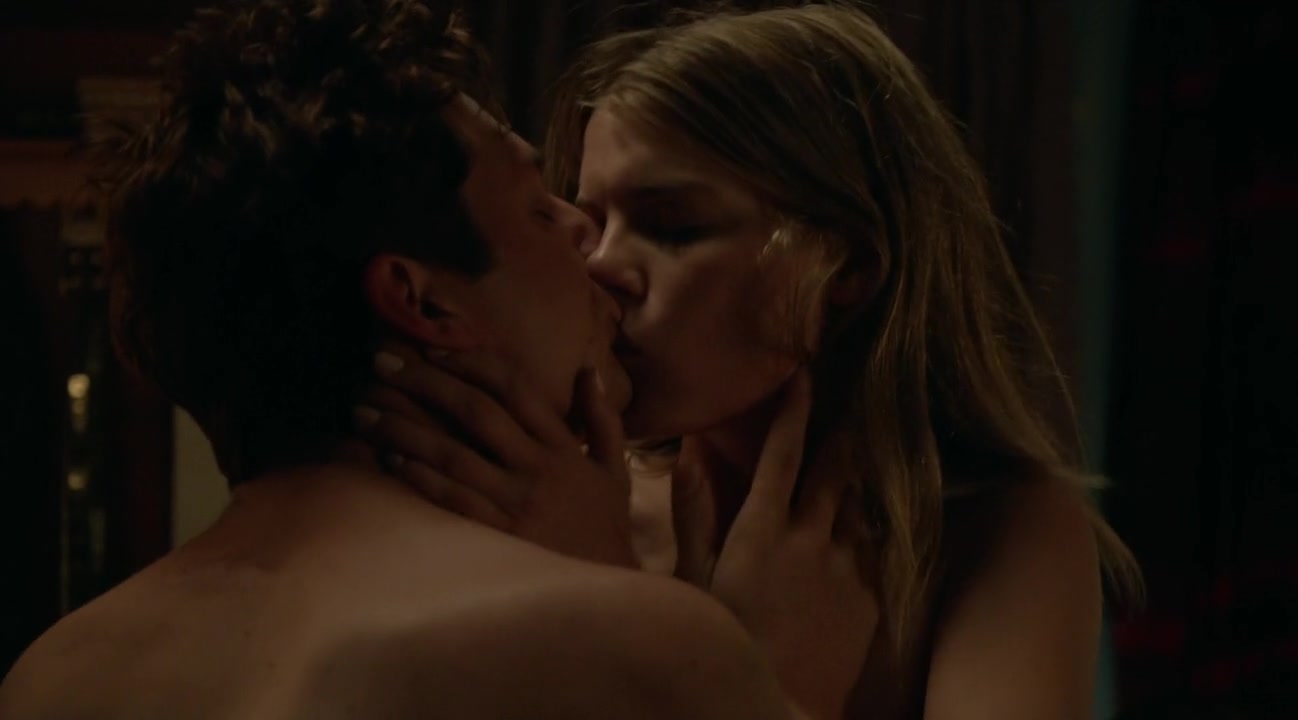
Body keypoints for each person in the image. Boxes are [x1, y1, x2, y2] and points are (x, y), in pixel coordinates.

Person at [0, 1, 850, 718]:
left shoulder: (58, 673)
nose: (587, 239)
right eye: (539, 209)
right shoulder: (635, 641)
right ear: (422, 300)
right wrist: (766, 679)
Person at [361, 3, 1142, 719]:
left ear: (846, 269)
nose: (601, 266)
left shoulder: (990, 532)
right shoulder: (561, 500)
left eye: (672, 227)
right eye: (591, 221)